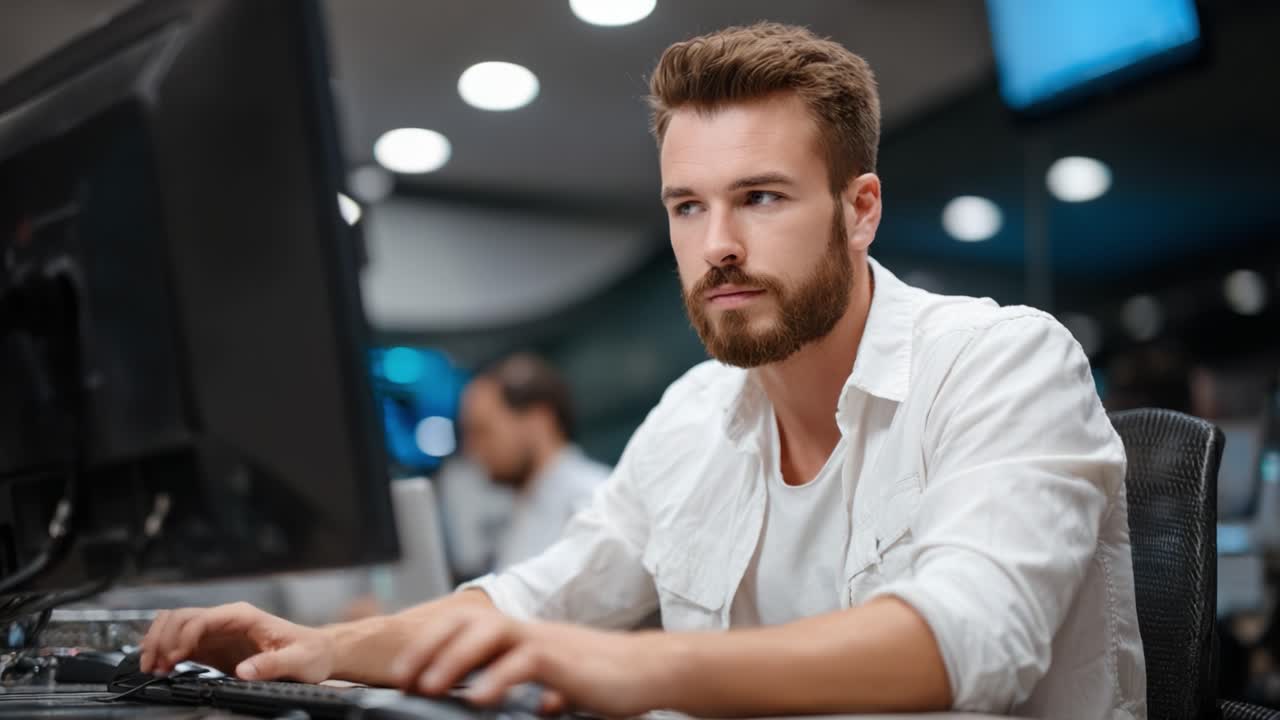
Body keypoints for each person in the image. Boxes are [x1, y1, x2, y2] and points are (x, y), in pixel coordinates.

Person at [138, 23, 1146, 719]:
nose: (715, 245)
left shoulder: (1004, 363)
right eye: (686, 206)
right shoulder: (693, 415)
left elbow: (963, 639)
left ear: (859, 208)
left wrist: (626, 666)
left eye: (759, 197)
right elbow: (534, 599)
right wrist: (316, 651)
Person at [459, 354, 609, 570]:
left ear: (538, 421)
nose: (472, 450)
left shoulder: (593, 501)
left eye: (483, 432)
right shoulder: (519, 511)